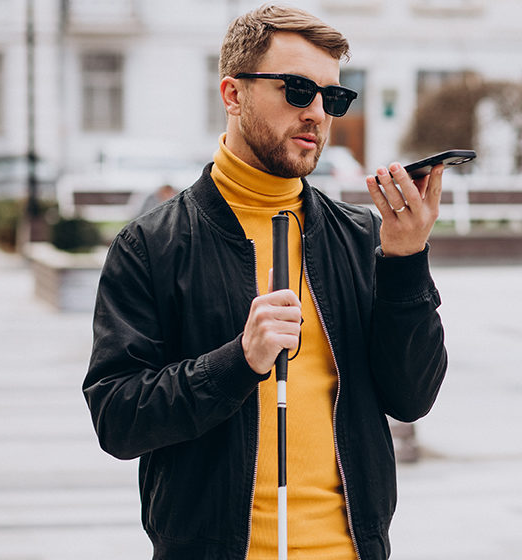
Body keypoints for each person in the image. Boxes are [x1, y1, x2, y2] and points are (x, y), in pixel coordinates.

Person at [82, 5, 447, 560]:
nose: (319, 113)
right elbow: (118, 417)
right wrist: (238, 361)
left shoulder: (359, 238)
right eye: (298, 90)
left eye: (333, 97)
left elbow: (411, 397)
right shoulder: (153, 244)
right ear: (232, 94)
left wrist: (405, 260)